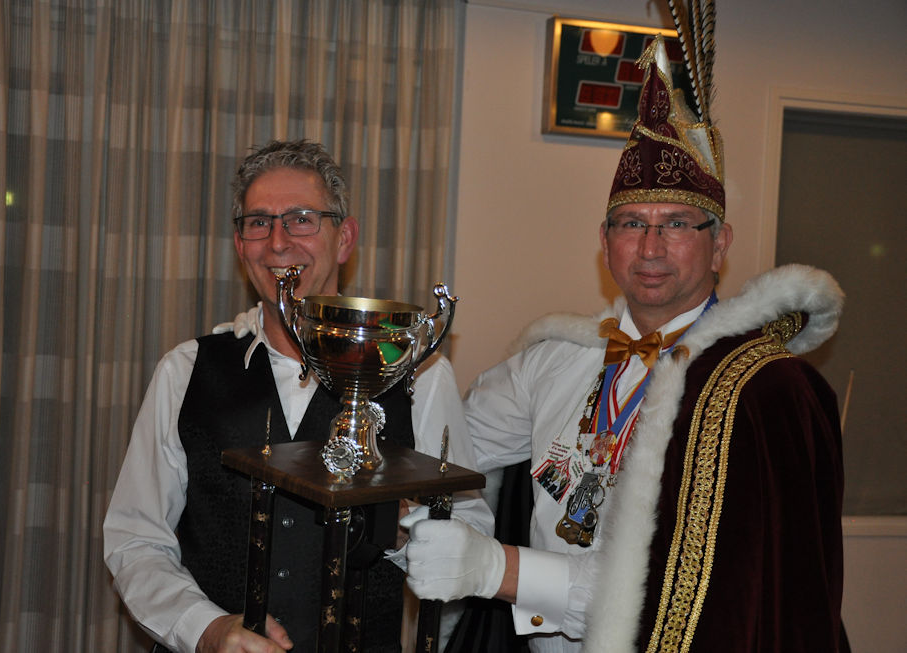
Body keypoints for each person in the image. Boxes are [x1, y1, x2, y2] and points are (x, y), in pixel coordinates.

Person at [403, 35, 851, 652]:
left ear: (719, 245)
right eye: (632, 223)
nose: (650, 248)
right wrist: (424, 513)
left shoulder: (752, 391)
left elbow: (702, 594)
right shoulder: (556, 359)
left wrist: (495, 567)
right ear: (604, 240)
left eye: (677, 225)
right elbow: (446, 450)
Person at [104, 139, 493, 653]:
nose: (278, 242)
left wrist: (404, 527)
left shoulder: (421, 375)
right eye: (258, 222)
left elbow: (472, 538)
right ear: (240, 244)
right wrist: (206, 629)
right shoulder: (185, 370)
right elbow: (135, 539)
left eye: (301, 219)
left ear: (344, 239)